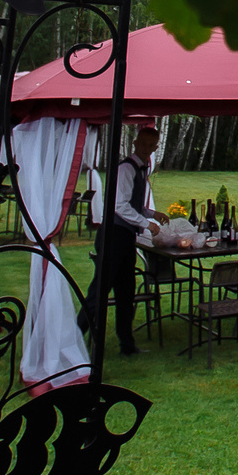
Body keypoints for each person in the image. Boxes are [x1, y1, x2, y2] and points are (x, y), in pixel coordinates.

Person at [79, 123, 162, 357]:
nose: (147, 149)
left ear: (155, 148)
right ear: (135, 143)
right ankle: (75, 337)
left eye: (151, 146)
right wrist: (147, 223)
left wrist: (151, 213)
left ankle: (127, 344)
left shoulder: (141, 170)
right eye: (143, 144)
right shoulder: (126, 169)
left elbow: (132, 204)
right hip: (113, 236)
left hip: (125, 238)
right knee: (99, 292)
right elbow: (119, 206)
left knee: (126, 292)